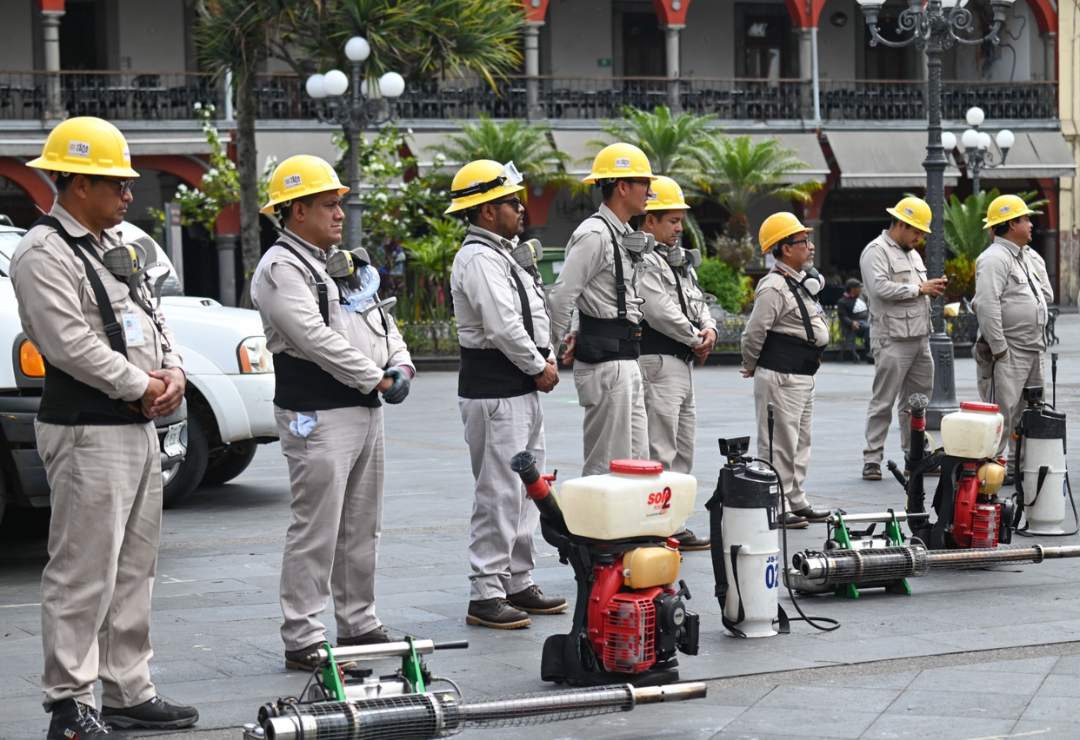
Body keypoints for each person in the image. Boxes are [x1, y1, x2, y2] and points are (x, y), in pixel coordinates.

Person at [10, 117, 198, 738]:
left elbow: (154, 317)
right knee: (83, 569)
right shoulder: (43, 251)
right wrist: (142, 385)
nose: (128, 193)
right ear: (76, 182)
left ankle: (125, 689)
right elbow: (67, 344)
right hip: (87, 428)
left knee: (135, 565)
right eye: (115, 183)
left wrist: (171, 371)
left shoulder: (114, 244)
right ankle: (69, 702)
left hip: (135, 425)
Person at [250, 155, 415, 670]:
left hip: (363, 406)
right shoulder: (281, 268)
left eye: (339, 204)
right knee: (317, 525)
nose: (339, 214)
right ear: (296, 210)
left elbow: (380, 319)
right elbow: (314, 339)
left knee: (362, 524)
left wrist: (401, 363)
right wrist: (377, 376)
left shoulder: (338, 262)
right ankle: (303, 635)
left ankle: (359, 621)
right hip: (318, 411)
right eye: (328, 205)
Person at [446, 159, 567, 629]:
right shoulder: (477, 258)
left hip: (521, 386)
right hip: (497, 388)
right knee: (498, 492)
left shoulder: (503, 254)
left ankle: (518, 580)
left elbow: (533, 317)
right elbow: (501, 325)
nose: (520, 208)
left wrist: (544, 360)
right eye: (511, 202)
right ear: (486, 211)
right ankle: (486, 591)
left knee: (527, 489)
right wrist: (539, 366)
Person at [547, 143, 654, 476]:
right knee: (607, 467)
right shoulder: (594, 235)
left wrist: (577, 328)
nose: (651, 191)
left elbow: (589, 293)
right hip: (607, 365)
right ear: (622, 186)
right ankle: (595, 530)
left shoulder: (619, 234)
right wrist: (548, 353)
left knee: (635, 462)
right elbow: (563, 295)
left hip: (624, 358)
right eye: (644, 183)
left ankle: (630, 529)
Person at [635, 176, 716, 551]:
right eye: (672, 220)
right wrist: (696, 336)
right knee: (661, 448)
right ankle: (656, 525)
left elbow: (698, 301)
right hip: (659, 361)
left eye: (681, 220)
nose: (680, 228)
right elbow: (657, 310)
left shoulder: (678, 260)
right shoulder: (643, 259)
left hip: (682, 361)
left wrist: (709, 328)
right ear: (649, 221)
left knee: (684, 448)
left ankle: (675, 523)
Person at [740, 213, 832, 528]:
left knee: (799, 442)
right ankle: (775, 505)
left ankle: (795, 499)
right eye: (802, 241)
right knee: (778, 443)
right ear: (783, 248)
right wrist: (751, 366)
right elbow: (754, 333)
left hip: (802, 375)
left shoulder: (798, 282)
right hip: (782, 375)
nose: (810, 246)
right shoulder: (774, 286)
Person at [858, 197, 947, 481]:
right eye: (917, 232)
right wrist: (920, 288)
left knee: (918, 401)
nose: (920, 239)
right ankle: (872, 459)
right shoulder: (875, 251)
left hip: (919, 337)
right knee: (883, 400)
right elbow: (880, 288)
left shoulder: (912, 254)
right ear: (900, 224)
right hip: (891, 338)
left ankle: (915, 458)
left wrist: (928, 289)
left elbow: (913, 288)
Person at [972, 194, 1054, 484]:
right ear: (1010, 223)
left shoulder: (1024, 256)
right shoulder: (994, 258)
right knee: (1001, 415)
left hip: (1032, 348)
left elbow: (1045, 295)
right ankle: (989, 474)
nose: (1031, 224)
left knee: (1031, 414)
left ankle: (1018, 470)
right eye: (1025, 219)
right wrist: (1000, 349)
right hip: (1010, 350)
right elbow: (986, 304)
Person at [836, 277, 871, 352]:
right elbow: (843, 316)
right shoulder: (842, 302)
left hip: (868, 320)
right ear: (852, 289)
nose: (860, 290)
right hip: (857, 323)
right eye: (858, 288)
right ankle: (869, 352)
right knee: (868, 328)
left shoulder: (862, 297)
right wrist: (851, 323)